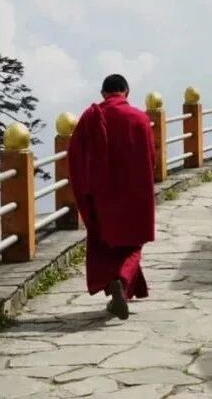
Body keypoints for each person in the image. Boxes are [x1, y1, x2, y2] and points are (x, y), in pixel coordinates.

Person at [68, 74, 156, 320]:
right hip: (134, 195)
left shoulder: (90, 117)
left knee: (105, 245)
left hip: (101, 196)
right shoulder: (140, 118)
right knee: (133, 245)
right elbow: (151, 158)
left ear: (103, 93)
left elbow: (74, 158)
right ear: (126, 92)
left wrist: (84, 194)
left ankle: (117, 290)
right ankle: (122, 281)